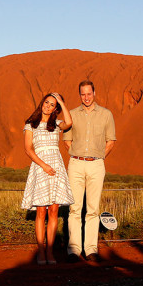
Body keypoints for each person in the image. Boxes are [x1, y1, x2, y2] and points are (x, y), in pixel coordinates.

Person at [63, 80, 116, 262]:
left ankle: (91, 249)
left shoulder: (106, 114)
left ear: (94, 93)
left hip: (96, 164)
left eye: (89, 93)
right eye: (83, 94)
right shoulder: (71, 114)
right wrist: (77, 155)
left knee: (93, 209)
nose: (86, 97)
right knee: (74, 208)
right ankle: (74, 250)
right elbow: (67, 140)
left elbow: (111, 141)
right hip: (76, 163)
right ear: (79, 95)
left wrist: (99, 157)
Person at [21, 92, 74, 265]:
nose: (48, 106)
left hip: (56, 167)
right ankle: (41, 251)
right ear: (41, 103)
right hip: (40, 167)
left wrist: (61, 102)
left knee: (53, 210)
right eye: (46, 102)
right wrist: (43, 165)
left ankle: (50, 252)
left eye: (52, 105)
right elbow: (28, 149)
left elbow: (70, 122)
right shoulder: (31, 124)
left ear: (55, 109)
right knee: (41, 211)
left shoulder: (57, 124)